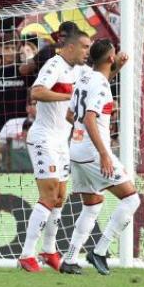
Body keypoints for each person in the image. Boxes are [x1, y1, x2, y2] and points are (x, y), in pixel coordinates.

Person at [59, 39, 139, 275]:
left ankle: (70, 259)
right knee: (131, 199)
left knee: (92, 205)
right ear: (111, 58)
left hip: (76, 150)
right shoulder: (101, 85)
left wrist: (116, 70)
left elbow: (70, 115)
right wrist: (104, 153)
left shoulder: (84, 78)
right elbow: (91, 117)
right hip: (94, 153)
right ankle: (100, 251)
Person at [18, 31, 92, 273]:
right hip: (43, 138)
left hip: (62, 141)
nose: (87, 52)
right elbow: (36, 92)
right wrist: (68, 95)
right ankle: (27, 254)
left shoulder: (80, 70)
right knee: (49, 196)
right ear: (69, 47)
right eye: (84, 47)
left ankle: (49, 250)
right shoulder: (55, 64)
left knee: (60, 197)